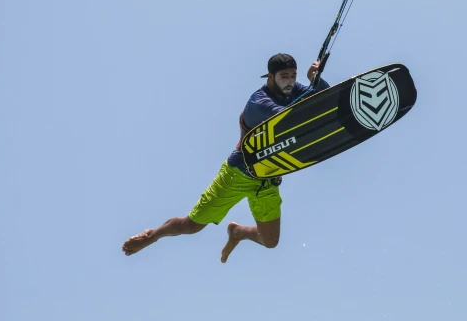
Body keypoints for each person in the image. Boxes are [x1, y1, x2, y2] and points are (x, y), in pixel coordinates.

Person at [122, 53, 329, 262]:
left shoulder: (293, 91)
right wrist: (313, 90)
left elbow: (324, 99)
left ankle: (238, 232)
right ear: (270, 77)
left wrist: (315, 80)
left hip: (267, 179)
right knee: (192, 226)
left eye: (294, 75)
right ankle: (153, 236)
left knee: (270, 241)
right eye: (284, 76)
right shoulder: (259, 102)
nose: (291, 81)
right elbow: (289, 118)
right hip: (238, 175)